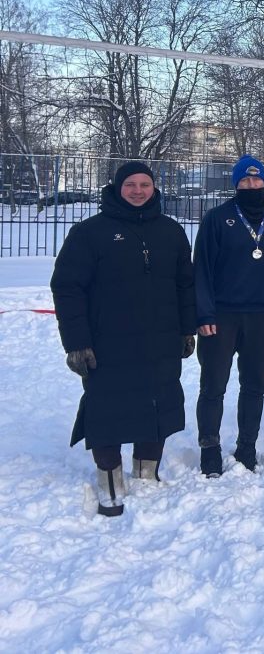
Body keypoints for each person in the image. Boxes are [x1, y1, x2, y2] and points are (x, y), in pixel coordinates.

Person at [50, 162, 197, 516]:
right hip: (108, 343)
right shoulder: (90, 233)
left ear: (154, 188)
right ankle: (110, 481)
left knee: (157, 405)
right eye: (130, 184)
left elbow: (185, 285)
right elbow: (67, 288)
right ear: (117, 188)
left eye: (145, 184)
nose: (138, 191)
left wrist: (187, 328)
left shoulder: (171, 231)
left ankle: (146, 476)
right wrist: (76, 342)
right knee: (107, 411)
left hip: (160, 340)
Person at [193, 155, 264, 476]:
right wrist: (204, 314)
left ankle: (247, 446)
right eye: (245, 180)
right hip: (221, 316)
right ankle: (210, 448)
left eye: (257, 179)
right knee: (213, 385)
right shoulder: (217, 218)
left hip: (261, 314)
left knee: (254, 385)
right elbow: (201, 270)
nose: (252, 185)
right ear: (236, 184)